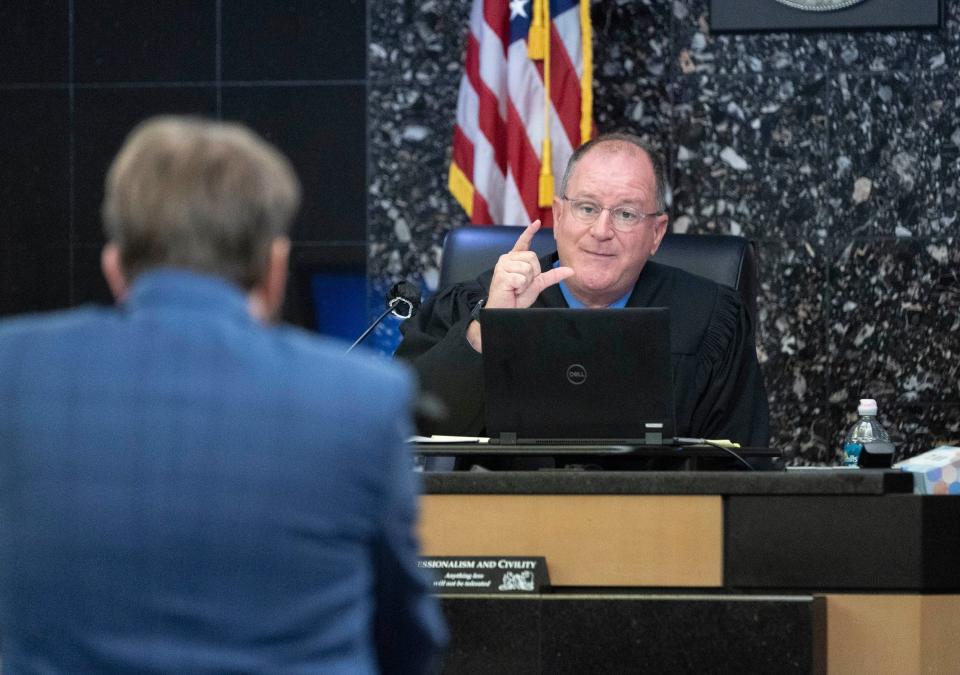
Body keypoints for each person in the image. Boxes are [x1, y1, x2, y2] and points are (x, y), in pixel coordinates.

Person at [0, 116, 446, 674]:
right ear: (274, 269)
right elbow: (406, 638)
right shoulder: (364, 400)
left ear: (115, 268)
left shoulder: (11, 373)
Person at [396, 132, 769, 450]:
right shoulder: (478, 302)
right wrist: (488, 327)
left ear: (656, 234)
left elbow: (742, 465)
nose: (602, 230)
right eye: (587, 208)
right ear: (558, 218)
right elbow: (408, 425)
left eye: (626, 214)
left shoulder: (710, 320)